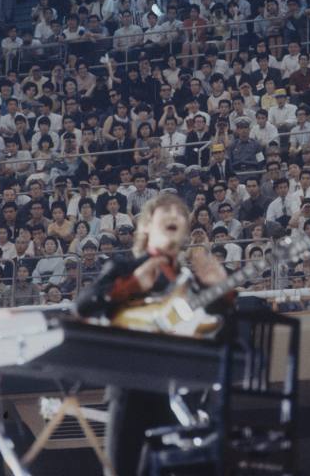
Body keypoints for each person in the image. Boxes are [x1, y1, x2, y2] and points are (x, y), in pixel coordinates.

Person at [76, 193, 229, 476]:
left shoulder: (193, 282)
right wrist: (131, 285)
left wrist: (222, 297)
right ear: (146, 226)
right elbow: (84, 305)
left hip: (177, 394)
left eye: (181, 214)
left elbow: (219, 332)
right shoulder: (124, 268)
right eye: (166, 211)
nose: (175, 216)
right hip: (130, 390)